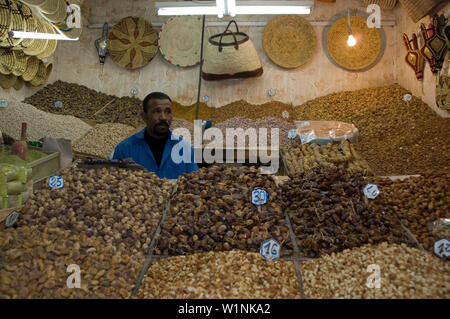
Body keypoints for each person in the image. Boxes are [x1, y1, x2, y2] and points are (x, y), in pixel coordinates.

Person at [112, 92, 198, 179]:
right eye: (157, 111)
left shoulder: (184, 148)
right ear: (144, 116)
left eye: (168, 112)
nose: (163, 117)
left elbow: (194, 182)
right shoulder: (124, 149)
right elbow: (112, 183)